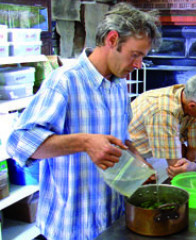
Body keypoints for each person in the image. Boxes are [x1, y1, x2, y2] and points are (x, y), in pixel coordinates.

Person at [6, 3, 161, 240]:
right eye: (135, 54)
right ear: (112, 39)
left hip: (110, 220)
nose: (138, 64)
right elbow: (18, 143)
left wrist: (139, 162)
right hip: (71, 227)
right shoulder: (65, 81)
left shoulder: (119, 86)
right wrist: (85, 142)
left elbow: (123, 140)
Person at [129, 73, 196, 179]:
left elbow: (195, 147)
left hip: (156, 153)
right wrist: (188, 168)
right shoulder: (163, 111)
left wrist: (194, 164)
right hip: (131, 158)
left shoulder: (195, 103)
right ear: (192, 106)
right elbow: (175, 166)